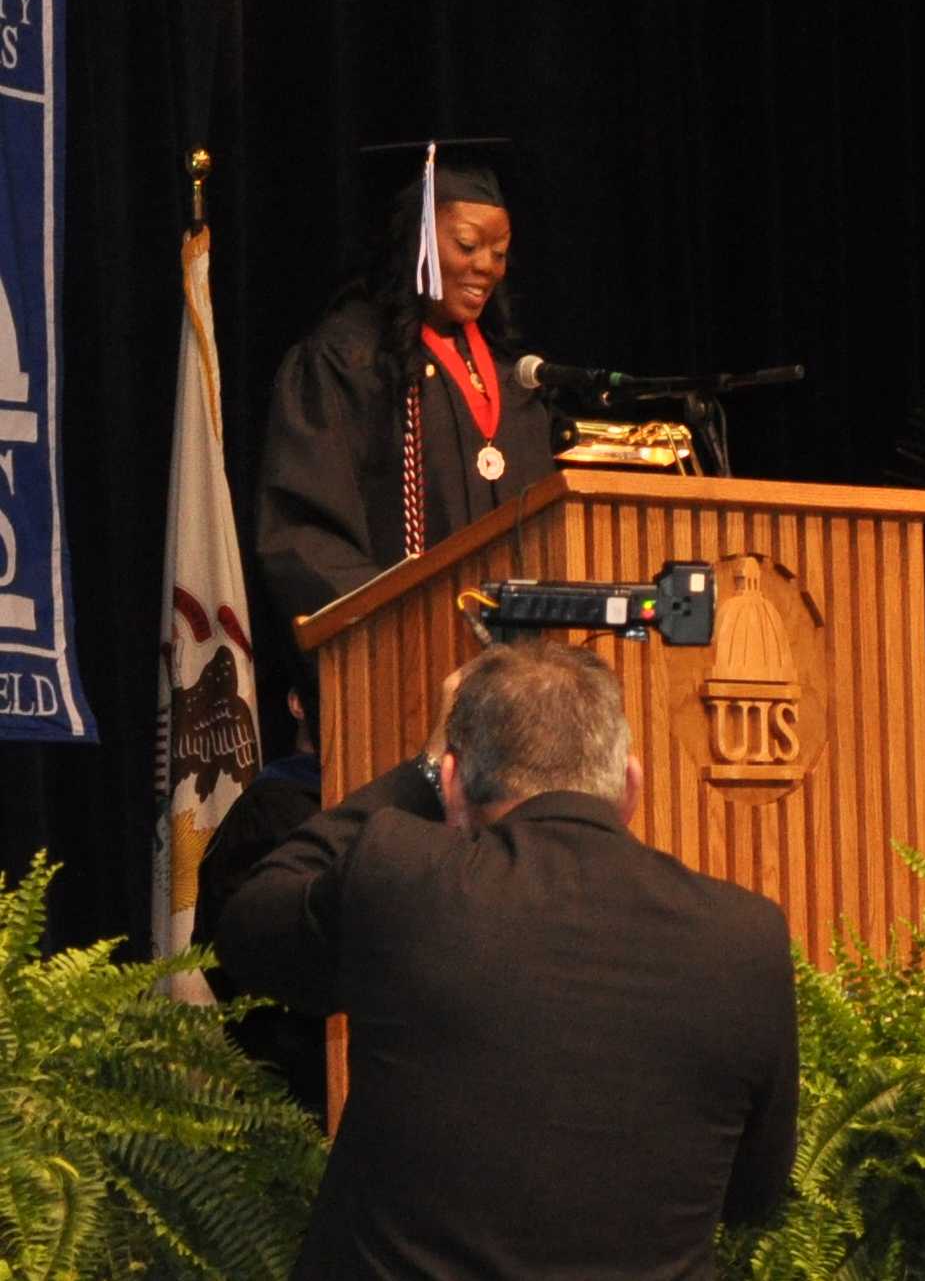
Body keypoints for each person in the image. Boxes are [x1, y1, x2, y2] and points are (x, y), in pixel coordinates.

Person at [216, 640, 799, 1280]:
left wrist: (421, 771)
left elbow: (251, 928)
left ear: (455, 785)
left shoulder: (402, 878)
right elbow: (752, 1195)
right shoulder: (747, 938)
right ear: (631, 782)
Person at [256, 139, 557, 624]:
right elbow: (304, 537)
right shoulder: (348, 363)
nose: (486, 266)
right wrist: (407, 623)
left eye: (499, 253)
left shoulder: (513, 380)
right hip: (400, 656)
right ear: (416, 237)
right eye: (467, 245)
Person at [189, 678, 326, 1117]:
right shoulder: (268, 809)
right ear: (296, 702)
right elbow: (226, 949)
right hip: (295, 1088)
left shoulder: (395, 806)